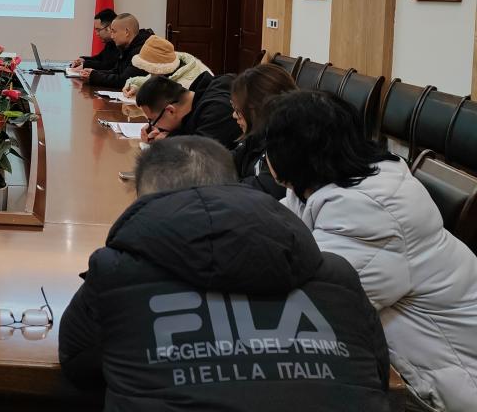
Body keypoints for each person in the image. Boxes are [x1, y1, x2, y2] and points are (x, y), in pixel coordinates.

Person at [59, 136, 391, 412]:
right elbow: (377, 373)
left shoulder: (115, 272)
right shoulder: (339, 275)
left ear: (146, 197)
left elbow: (77, 363)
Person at [265, 91, 477, 412]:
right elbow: (276, 227)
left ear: (289, 154)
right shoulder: (335, 182)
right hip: (413, 362)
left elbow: (317, 307)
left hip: (449, 382)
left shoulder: (366, 211)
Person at [228, 63, 297, 199]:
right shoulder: (259, 134)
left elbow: (255, 194)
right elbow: (226, 161)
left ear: (257, 109)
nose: (234, 115)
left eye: (238, 110)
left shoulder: (289, 145)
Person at [135, 72, 242, 148]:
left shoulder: (218, 110)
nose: (153, 126)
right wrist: (162, 132)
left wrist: (169, 140)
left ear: (170, 111)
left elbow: (199, 156)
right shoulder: (196, 98)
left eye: (153, 121)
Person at [78, 13, 154, 90]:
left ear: (126, 32)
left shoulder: (142, 51)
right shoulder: (127, 47)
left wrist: (94, 76)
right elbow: (117, 71)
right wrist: (93, 72)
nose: (112, 36)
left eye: (114, 32)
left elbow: (124, 81)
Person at [120, 35, 211, 98]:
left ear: (159, 68)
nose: (149, 73)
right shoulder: (170, 64)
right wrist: (135, 86)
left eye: (151, 70)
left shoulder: (188, 83)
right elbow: (150, 80)